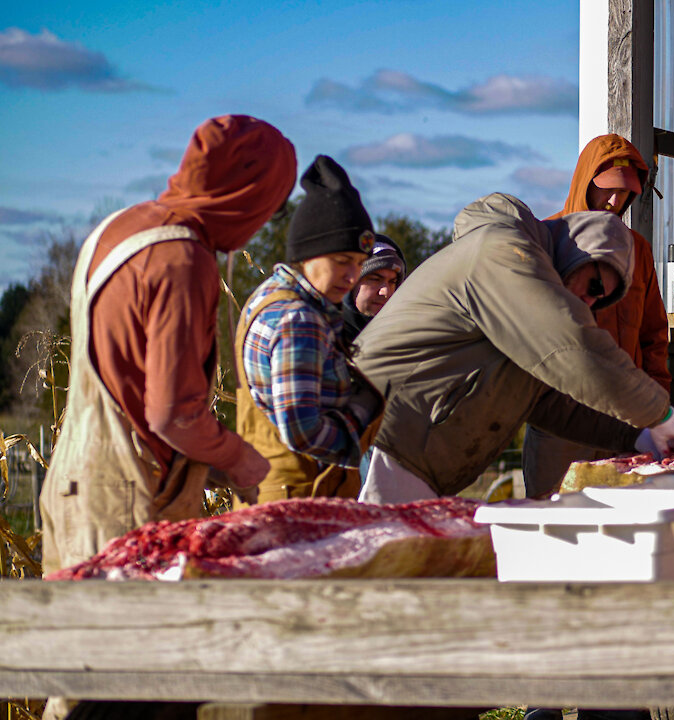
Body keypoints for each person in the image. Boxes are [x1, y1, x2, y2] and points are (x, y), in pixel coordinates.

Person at [38, 115, 296, 576]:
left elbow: (131, 387)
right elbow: (171, 414)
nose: (261, 224)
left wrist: (209, 463)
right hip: (126, 505)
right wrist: (238, 458)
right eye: (269, 201)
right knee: (130, 646)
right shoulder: (181, 257)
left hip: (74, 483)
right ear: (246, 192)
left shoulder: (120, 229)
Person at [353, 192, 674, 503]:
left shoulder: (526, 317)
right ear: (574, 251)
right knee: (362, 568)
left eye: (600, 298)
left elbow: (551, 401)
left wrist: (639, 434)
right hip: (376, 437)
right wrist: (660, 414)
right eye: (594, 283)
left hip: (409, 449)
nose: (589, 300)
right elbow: (576, 350)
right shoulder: (502, 251)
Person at [521, 133, 671, 497]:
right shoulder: (546, 237)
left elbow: (653, 333)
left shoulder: (638, 248)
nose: (616, 200)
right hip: (562, 422)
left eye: (626, 191)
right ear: (585, 181)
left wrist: (657, 400)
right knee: (551, 525)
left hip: (626, 421)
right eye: (607, 189)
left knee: (627, 526)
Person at [235, 155, 383, 504]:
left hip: (265, 490)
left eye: (360, 264)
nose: (352, 277)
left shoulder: (265, 296)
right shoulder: (299, 319)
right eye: (342, 261)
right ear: (308, 254)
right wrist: (363, 414)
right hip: (300, 498)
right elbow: (303, 431)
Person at [341, 234, 406, 345]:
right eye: (375, 279)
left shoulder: (404, 341)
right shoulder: (323, 336)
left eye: (392, 282)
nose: (385, 292)